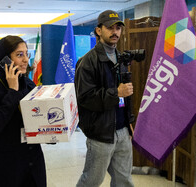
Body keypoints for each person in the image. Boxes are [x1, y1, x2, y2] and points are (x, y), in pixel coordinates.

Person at [0, 35, 46, 187]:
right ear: (4, 60)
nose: (26, 59)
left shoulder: (27, 83)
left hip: (33, 156)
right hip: (8, 160)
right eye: (19, 55)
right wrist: (12, 90)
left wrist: (51, 131)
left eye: (26, 54)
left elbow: (38, 119)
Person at [75, 10, 135, 187]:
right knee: (91, 181)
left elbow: (126, 95)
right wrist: (116, 93)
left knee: (124, 180)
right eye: (110, 28)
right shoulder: (87, 62)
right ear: (98, 31)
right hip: (100, 133)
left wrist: (129, 119)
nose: (115, 32)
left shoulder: (122, 58)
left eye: (118, 28)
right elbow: (85, 98)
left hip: (123, 131)